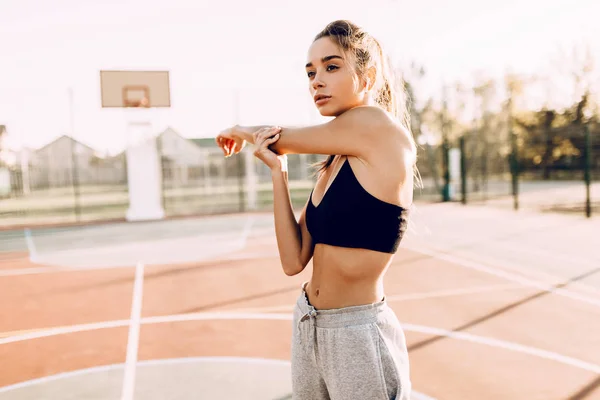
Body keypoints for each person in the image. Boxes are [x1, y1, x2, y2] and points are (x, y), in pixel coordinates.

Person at [216, 19, 417, 400]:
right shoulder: (334, 161)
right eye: (310, 72)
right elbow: (293, 260)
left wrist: (239, 130)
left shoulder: (376, 127)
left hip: (356, 331)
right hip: (308, 321)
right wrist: (279, 175)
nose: (316, 81)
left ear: (367, 76)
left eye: (331, 66)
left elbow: (279, 138)